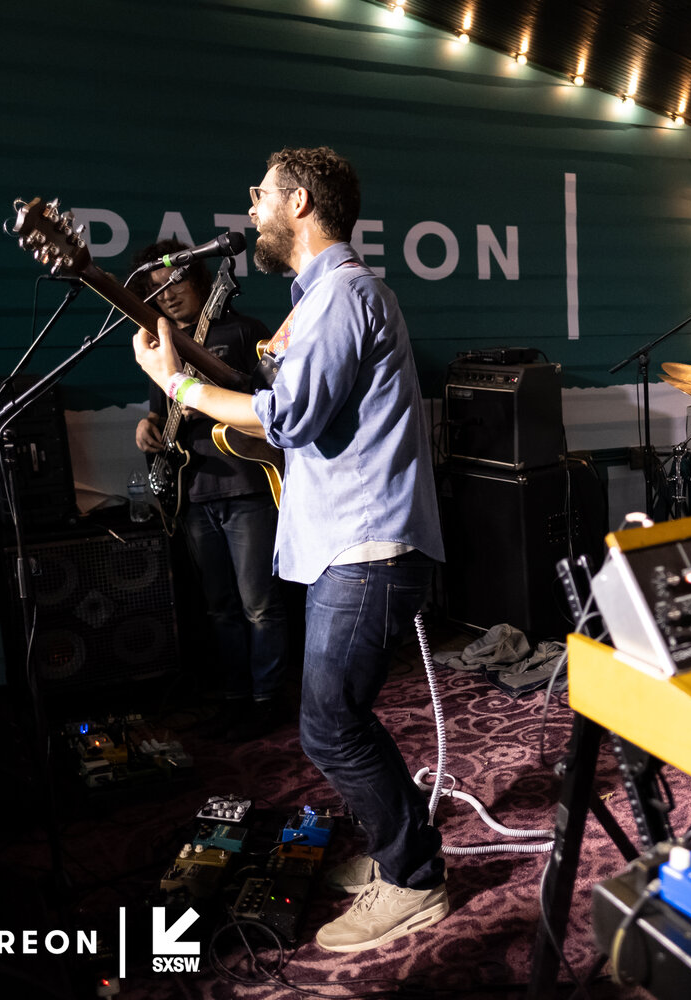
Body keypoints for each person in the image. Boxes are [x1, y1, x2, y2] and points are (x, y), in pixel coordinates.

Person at [132, 146, 449, 953]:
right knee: (339, 717)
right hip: (351, 543)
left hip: (369, 545)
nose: (251, 208)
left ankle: (413, 880)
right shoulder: (319, 301)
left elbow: (288, 419)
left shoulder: (343, 294)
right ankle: (402, 850)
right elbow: (289, 411)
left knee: (330, 725)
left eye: (261, 194)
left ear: (300, 202)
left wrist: (178, 386)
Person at [127, 241, 288, 740]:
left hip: (246, 487)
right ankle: (235, 698)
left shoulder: (244, 331)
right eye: (156, 290)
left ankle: (269, 699)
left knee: (260, 605)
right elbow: (159, 408)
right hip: (191, 490)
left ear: (199, 279)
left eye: (174, 282)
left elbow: (275, 405)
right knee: (220, 607)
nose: (167, 296)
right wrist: (147, 426)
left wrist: (216, 399)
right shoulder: (164, 344)